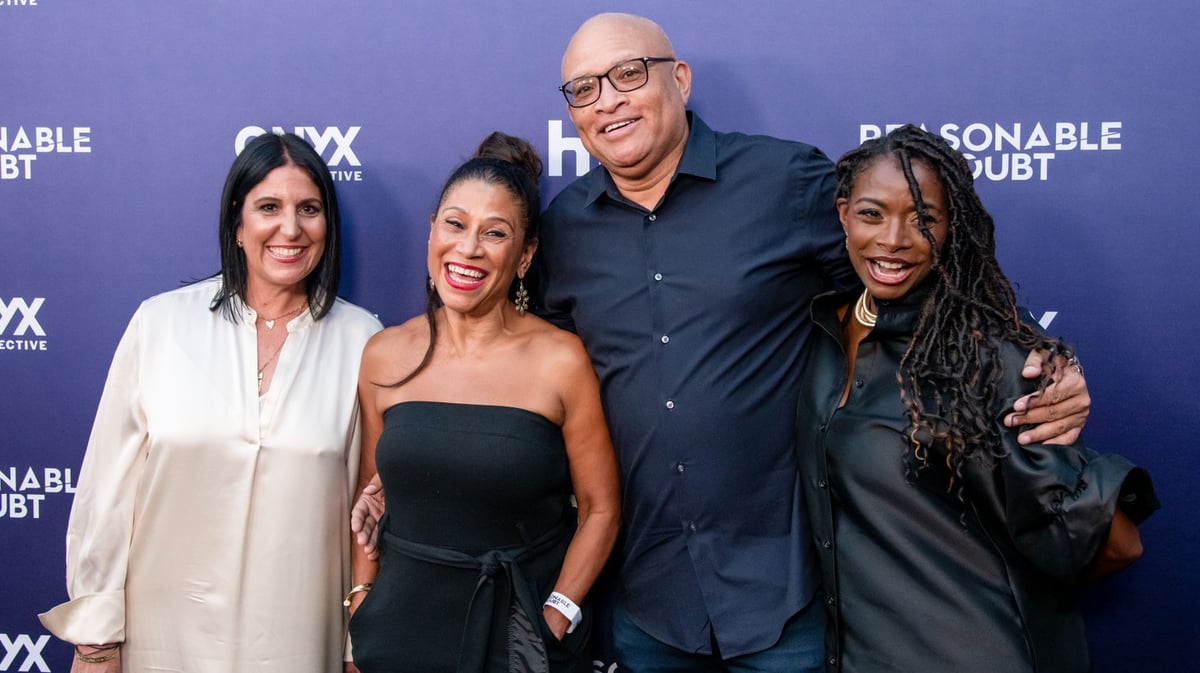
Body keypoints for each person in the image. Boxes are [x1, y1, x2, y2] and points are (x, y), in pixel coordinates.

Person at [354, 13, 1092, 672]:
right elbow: (505, 372)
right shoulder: (566, 229)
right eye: (583, 89)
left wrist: (1034, 361)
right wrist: (406, 470)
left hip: (781, 594)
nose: (607, 99)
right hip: (645, 599)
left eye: (626, 74)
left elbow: (912, 274)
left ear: (679, 78)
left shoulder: (784, 180)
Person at [795, 124, 1159, 672]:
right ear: (843, 213)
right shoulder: (826, 331)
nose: (893, 239)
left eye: (924, 220)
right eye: (872, 213)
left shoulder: (989, 358)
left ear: (953, 229)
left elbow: (1117, 544)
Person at [38, 132, 383, 673]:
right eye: (268, 207)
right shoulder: (160, 324)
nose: (290, 228)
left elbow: (367, 511)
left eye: (309, 209)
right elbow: (108, 491)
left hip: (297, 641)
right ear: (236, 223)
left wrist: (356, 644)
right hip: (161, 639)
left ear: (327, 225)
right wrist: (96, 639)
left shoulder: (364, 341)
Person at [346, 132, 621, 673]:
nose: (468, 248)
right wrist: (359, 602)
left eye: (494, 233)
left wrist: (556, 617)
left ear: (525, 255)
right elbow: (368, 497)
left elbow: (601, 509)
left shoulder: (559, 360)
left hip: (520, 641)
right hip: (399, 637)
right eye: (455, 224)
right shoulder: (383, 355)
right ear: (431, 231)